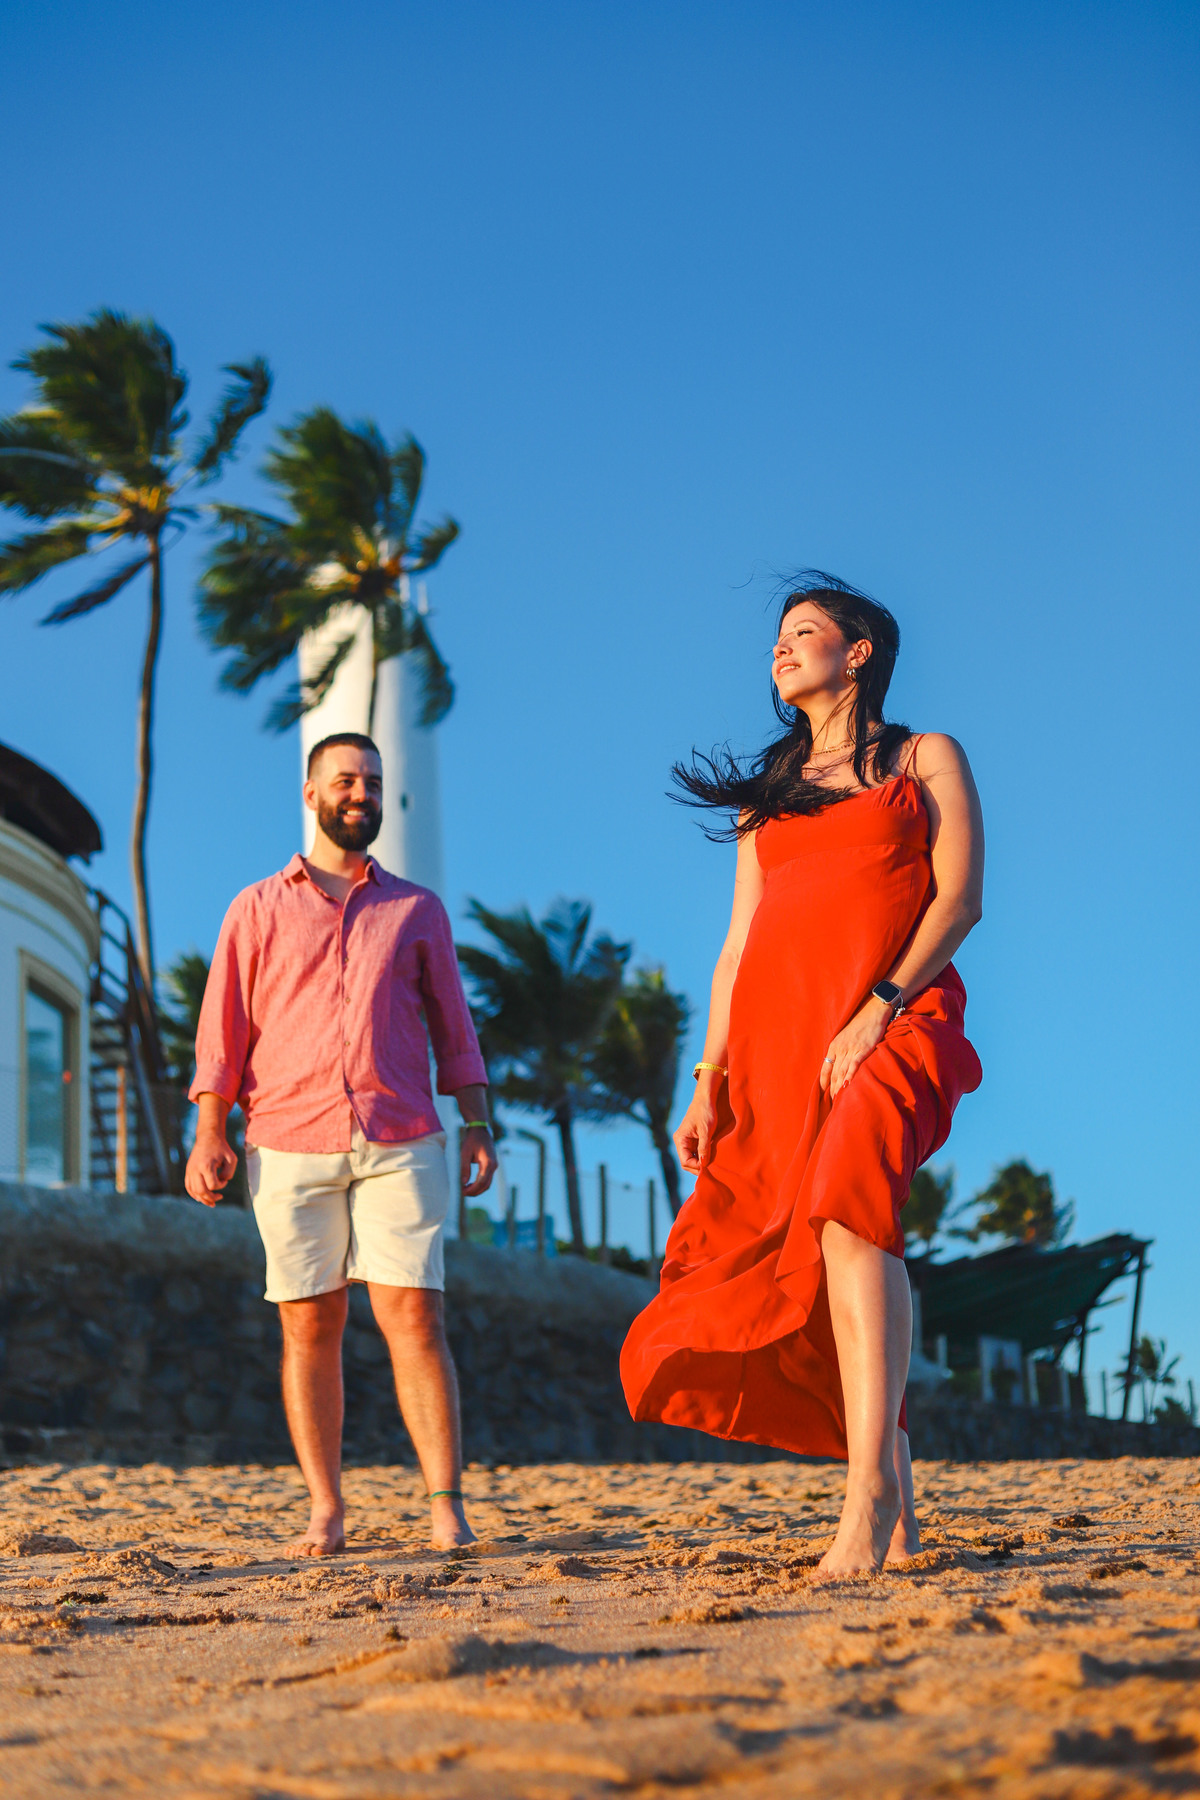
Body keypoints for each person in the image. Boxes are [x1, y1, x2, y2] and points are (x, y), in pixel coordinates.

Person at [620, 573, 984, 1575]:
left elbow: (958, 902)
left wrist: (880, 1009)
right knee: (823, 1232)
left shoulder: (923, 757)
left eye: (804, 632)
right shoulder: (768, 799)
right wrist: (708, 1078)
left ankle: (865, 1495)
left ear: (857, 651)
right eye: (776, 639)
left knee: (847, 1202)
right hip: (781, 1041)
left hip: (899, 1016)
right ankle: (897, 1493)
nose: (780, 650)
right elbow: (737, 948)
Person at [185, 732, 497, 1555]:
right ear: (311, 792)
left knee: (416, 1317)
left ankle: (445, 1507)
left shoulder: (417, 908)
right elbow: (223, 1031)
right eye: (346, 780)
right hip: (286, 1139)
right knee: (308, 1327)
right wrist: (209, 1128)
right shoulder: (254, 908)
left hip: (401, 1135)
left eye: (374, 782)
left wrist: (476, 1120)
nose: (362, 793)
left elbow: (452, 1024)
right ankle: (326, 1509)